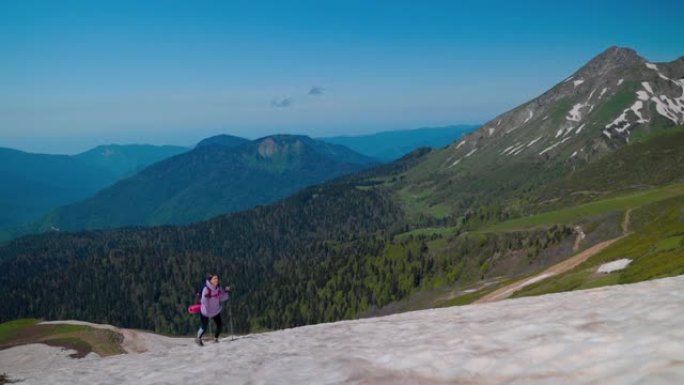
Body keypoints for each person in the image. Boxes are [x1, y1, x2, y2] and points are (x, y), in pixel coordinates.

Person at [196, 273, 231, 346]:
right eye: (214, 278)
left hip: (215, 310)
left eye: (217, 278)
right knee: (204, 327)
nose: (216, 280)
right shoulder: (206, 289)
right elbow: (203, 301)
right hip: (206, 311)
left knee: (219, 325)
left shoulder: (218, 288)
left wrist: (227, 293)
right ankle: (198, 338)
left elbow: (221, 298)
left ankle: (216, 339)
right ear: (210, 280)